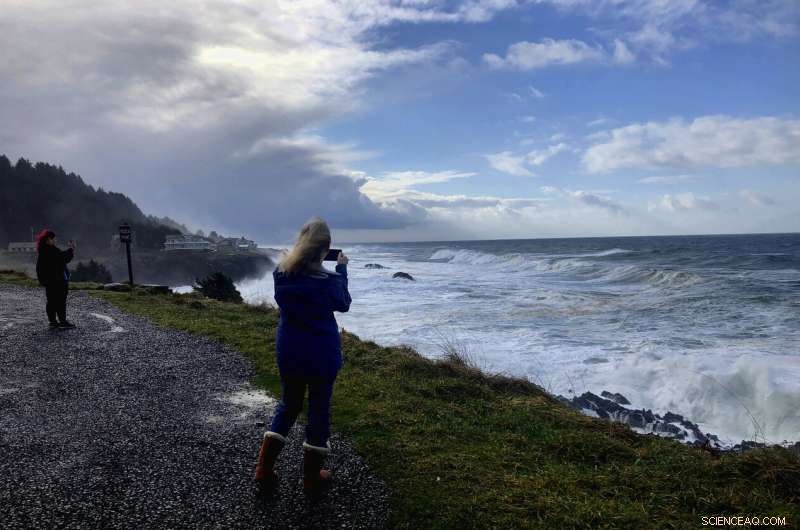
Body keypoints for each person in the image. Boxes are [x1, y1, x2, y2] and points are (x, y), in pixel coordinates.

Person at [254, 217, 351, 493]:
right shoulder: (329, 280)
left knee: (289, 404)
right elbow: (343, 303)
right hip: (321, 353)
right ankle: (311, 478)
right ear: (326, 248)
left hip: (290, 350)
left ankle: (264, 469)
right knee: (319, 409)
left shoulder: (280, 274)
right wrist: (342, 269)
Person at [35, 229, 76, 329]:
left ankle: (53, 321)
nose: (55, 240)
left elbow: (39, 268)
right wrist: (71, 249)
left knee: (52, 301)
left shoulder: (44, 250)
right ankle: (62, 321)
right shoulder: (50, 250)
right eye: (54, 238)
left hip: (50, 282)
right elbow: (62, 258)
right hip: (57, 281)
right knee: (60, 301)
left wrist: (43, 281)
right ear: (48, 239)